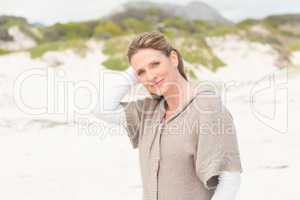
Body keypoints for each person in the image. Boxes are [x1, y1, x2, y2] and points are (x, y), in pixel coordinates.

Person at [94, 31, 243, 200]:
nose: (150, 76)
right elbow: (101, 108)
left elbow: (229, 180)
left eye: (155, 64)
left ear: (173, 58)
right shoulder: (148, 112)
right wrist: (136, 65)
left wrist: (142, 61)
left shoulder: (207, 107)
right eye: (141, 72)